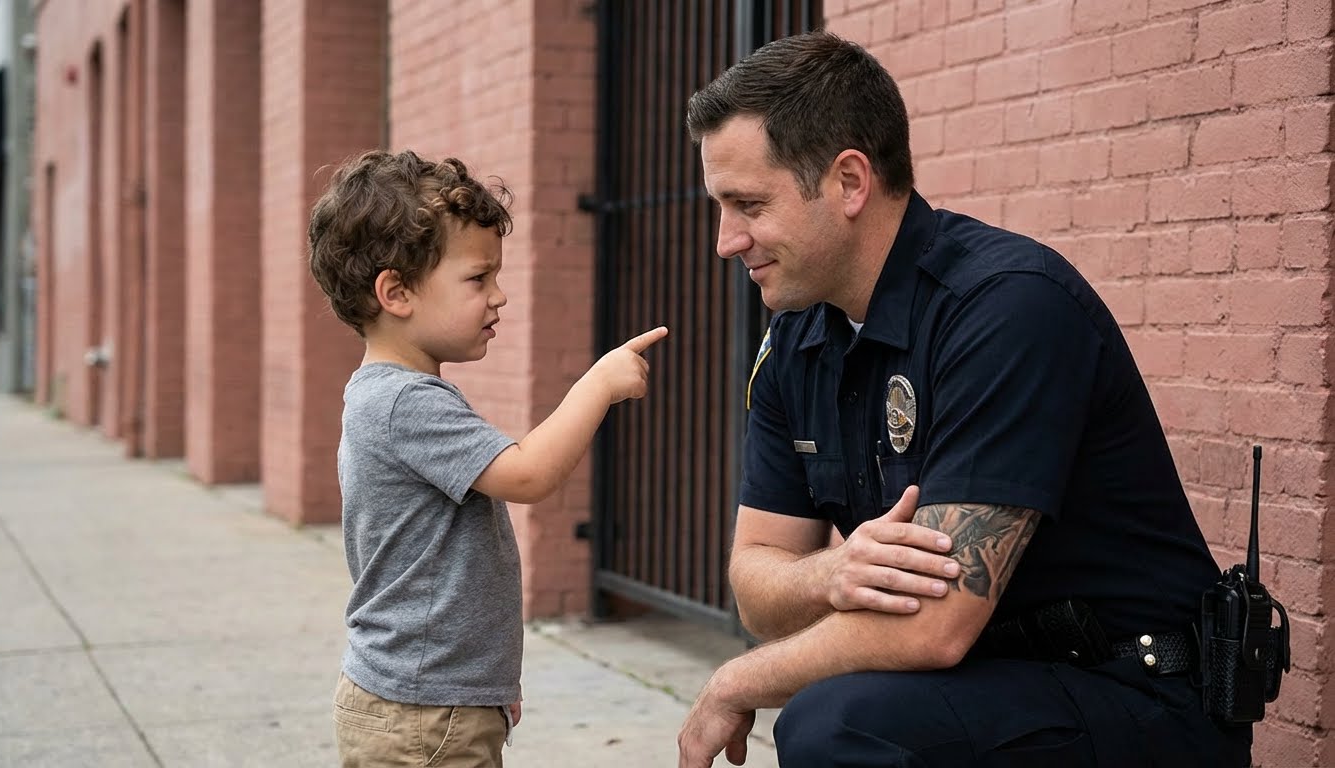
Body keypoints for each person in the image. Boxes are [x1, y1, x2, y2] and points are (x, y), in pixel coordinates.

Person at [676, 31, 1251, 768]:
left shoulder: (1005, 308)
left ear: (849, 182)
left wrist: (734, 682)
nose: (727, 240)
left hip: (1130, 694)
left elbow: (930, 628)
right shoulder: (796, 339)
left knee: (838, 723)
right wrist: (829, 571)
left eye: (747, 204)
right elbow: (756, 585)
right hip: (984, 685)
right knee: (839, 712)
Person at [308, 150, 667, 767]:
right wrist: (597, 385)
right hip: (424, 717)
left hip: (433, 702)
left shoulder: (390, 394)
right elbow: (529, 474)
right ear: (396, 292)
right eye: (478, 279)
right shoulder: (404, 403)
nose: (498, 296)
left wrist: (489, 690)